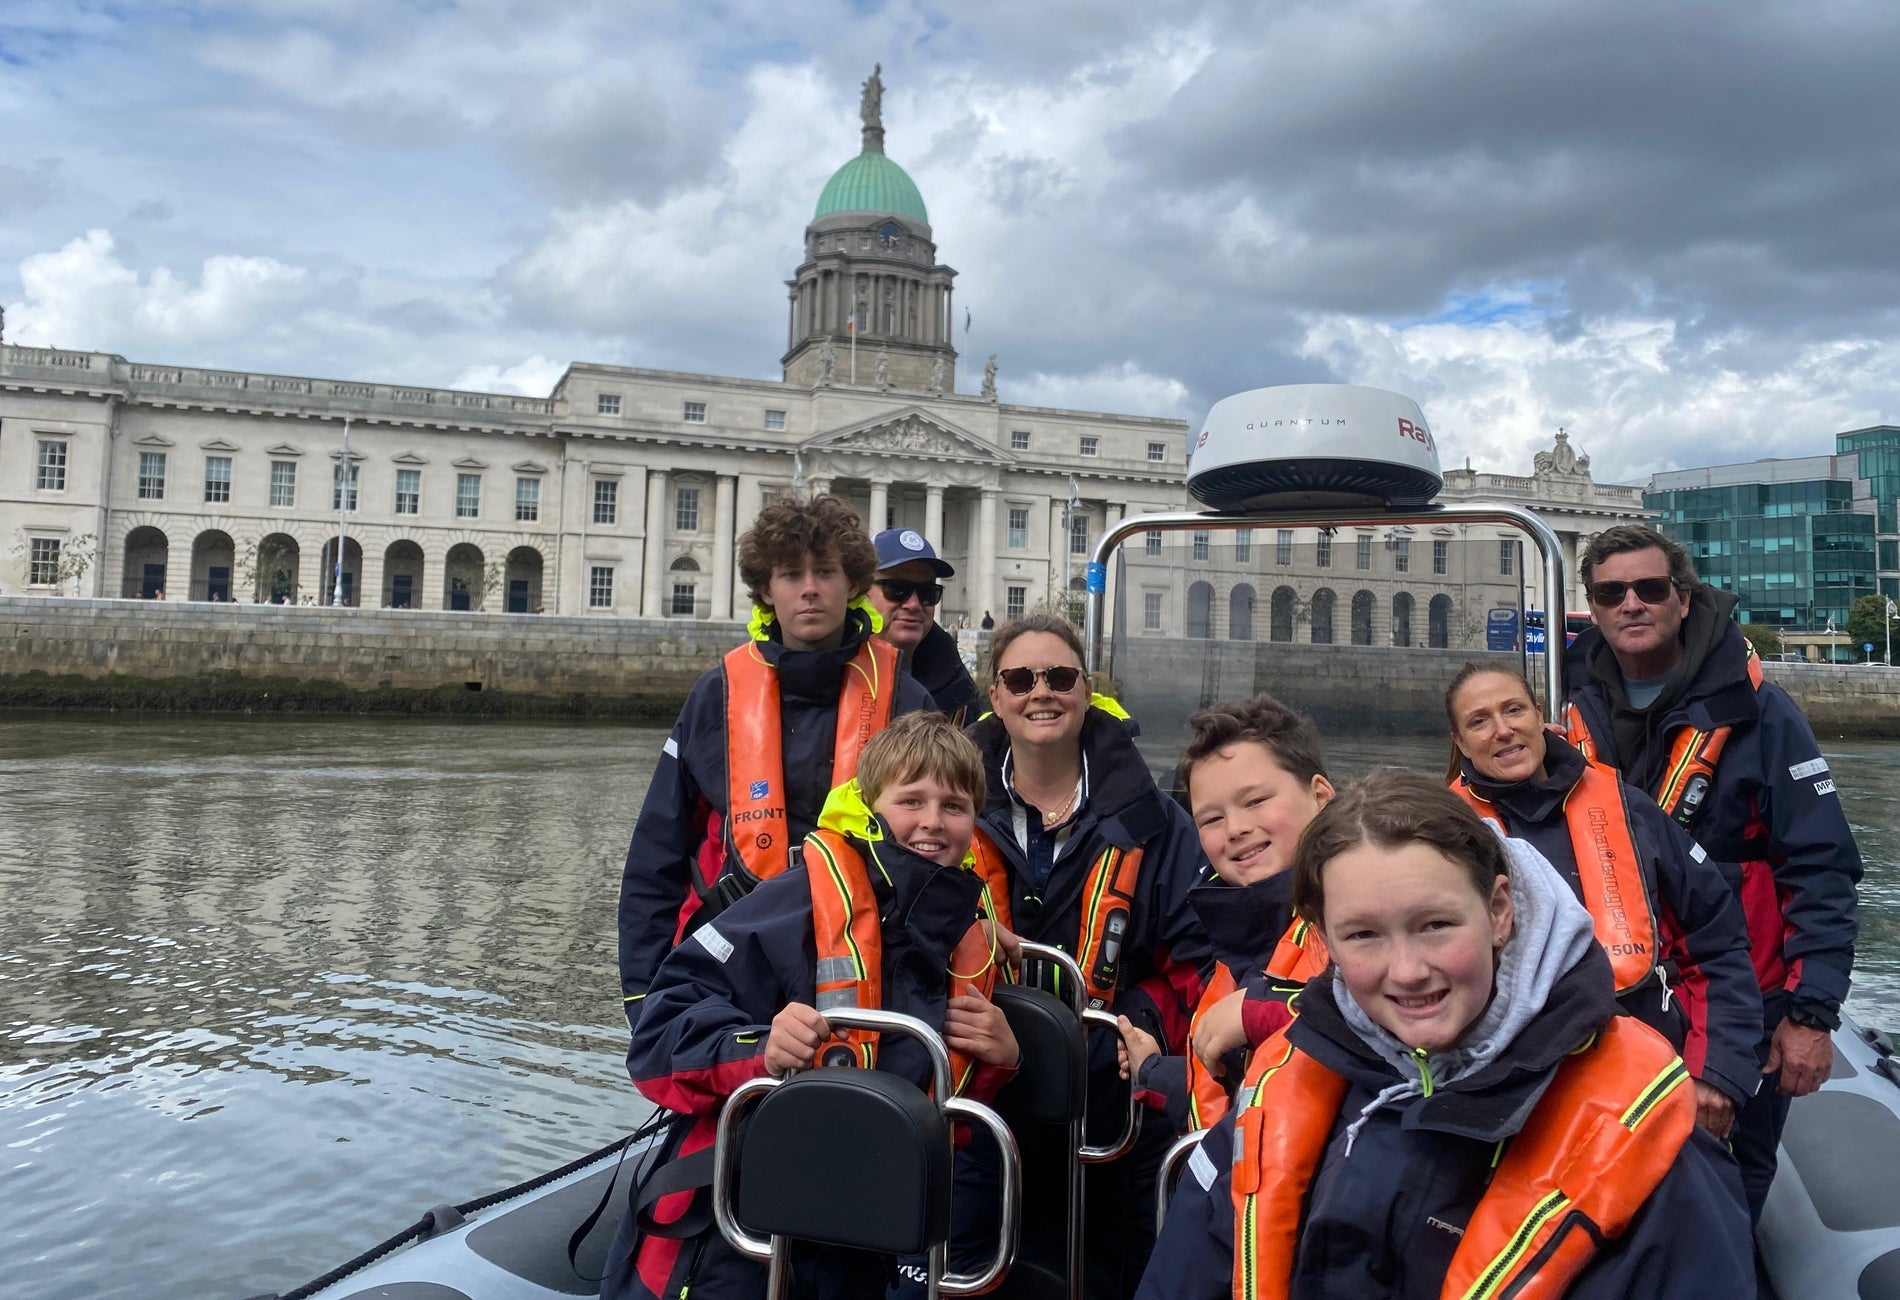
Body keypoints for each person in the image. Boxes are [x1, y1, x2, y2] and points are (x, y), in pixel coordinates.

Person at [1138, 771, 1753, 1300]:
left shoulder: (1648, 1135)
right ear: (1324, 937)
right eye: (1363, 935)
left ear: (1499, 911)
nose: (1407, 971)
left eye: (1435, 925)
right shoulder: (1284, 1079)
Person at [603, 712, 1020, 1300]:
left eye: (954, 806)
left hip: (858, 1234)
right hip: (731, 1234)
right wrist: (761, 1049)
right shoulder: (795, 901)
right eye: (911, 801)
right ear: (871, 808)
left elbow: (939, 1113)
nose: (932, 821)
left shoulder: (963, 938)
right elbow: (657, 1037)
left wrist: (1000, 1059)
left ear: (975, 821)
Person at [1564, 524, 1861, 1220]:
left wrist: (1811, 1016)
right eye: (1612, 593)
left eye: (1650, 588)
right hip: (1610, 1003)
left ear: (1684, 599)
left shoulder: (1760, 712)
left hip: (1743, 1006)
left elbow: (1822, 866)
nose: (1631, 604)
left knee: (1729, 1193)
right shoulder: (1564, 707)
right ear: (1595, 607)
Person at [617, 495, 936, 1029]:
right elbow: (657, 855)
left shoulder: (907, 699)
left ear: (853, 584)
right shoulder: (715, 697)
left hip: (873, 962)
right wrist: (643, 998)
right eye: (790, 574)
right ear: (766, 589)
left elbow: (945, 848)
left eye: (825, 572)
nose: (809, 589)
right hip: (738, 966)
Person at [967, 611, 1210, 1298]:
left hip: (1113, 1107)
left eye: (1059, 676)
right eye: (1020, 679)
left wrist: (1140, 1024)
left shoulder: (1156, 819)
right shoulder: (946, 809)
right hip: (983, 1100)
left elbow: (1197, 961)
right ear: (996, 697)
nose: (1040, 692)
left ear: (1086, 689)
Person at [1445, 663, 1761, 1136]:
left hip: (1645, 1075)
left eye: (1514, 710)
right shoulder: (1440, 835)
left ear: (1539, 715)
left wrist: (1715, 1071)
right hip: (1504, 1091)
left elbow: (1717, 943)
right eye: (1479, 721)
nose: (1503, 729)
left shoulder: (1630, 809)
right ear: (1460, 741)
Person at [1116, 695, 1334, 1134]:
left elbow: (1393, 1034)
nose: (1235, 829)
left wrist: (1263, 1011)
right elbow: (1237, 1093)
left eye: (1256, 801)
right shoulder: (1234, 939)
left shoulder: (1365, 916)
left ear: (1320, 796)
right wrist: (1154, 1070)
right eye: (1212, 819)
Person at [867, 527, 981, 725]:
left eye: (927, 592)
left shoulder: (959, 690)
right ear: (861, 591)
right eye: (897, 589)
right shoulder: (831, 673)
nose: (913, 604)